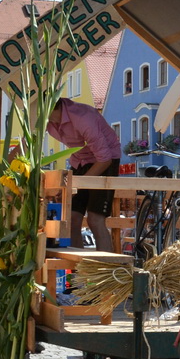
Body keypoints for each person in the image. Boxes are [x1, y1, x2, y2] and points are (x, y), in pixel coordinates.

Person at [46, 96, 123, 252]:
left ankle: (105, 270)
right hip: (80, 160)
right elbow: (25, 144)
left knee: (95, 220)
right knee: (72, 219)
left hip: (105, 160)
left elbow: (105, 159)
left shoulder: (83, 118)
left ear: (47, 107)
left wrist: (78, 185)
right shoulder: (47, 121)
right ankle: (78, 272)